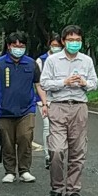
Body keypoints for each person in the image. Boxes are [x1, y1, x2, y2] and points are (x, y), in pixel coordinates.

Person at [39, 25, 98, 196]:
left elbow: (94, 83)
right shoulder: (53, 60)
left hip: (79, 107)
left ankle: (73, 189)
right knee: (56, 150)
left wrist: (84, 82)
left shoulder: (86, 61)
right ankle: (56, 188)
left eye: (78, 40)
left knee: (78, 150)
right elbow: (44, 83)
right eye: (71, 40)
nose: (75, 43)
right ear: (63, 41)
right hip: (58, 106)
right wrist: (64, 82)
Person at [0, 33, 46, 184]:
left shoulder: (31, 64)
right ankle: (10, 171)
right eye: (16, 46)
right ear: (9, 46)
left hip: (27, 109)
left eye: (22, 46)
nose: (19, 49)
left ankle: (24, 170)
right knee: (7, 141)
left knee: (25, 137)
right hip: (4, 110)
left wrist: (45, 103)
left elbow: (38, 85)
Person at [38, 35, 63, 168]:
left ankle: (58, 153)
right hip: (44, 99)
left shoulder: (65, 59)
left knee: (59, 128)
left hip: (60, 99)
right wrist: (44, 102)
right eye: (54, 45)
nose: (56, 48)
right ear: (49, 45)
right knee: (48, 126)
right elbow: (38, 83)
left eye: (58, 46)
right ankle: (48, 155)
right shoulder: (41, 60)